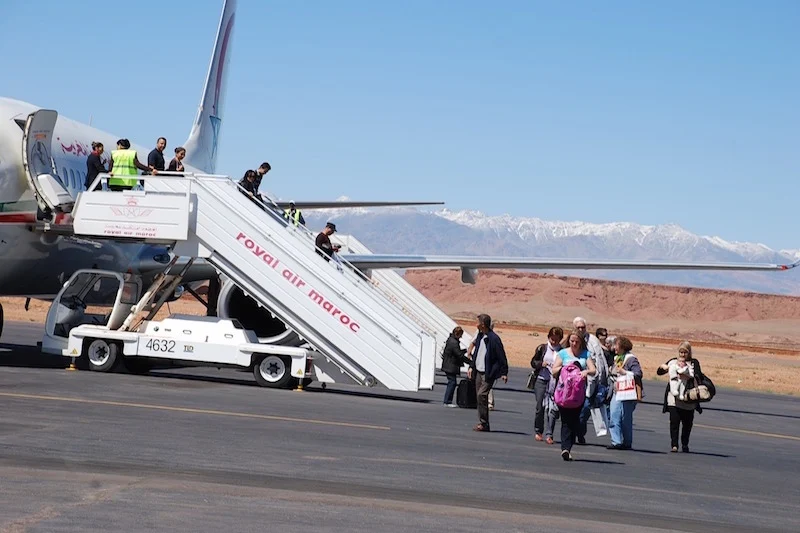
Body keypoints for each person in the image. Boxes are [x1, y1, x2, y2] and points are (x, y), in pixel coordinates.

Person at [551, 329, 597, 461]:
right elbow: (554, 371)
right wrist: (565, 369)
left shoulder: (585, 354)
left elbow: (593, 370)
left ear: (581, 342)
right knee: (566, 420)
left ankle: (568, 446)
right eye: (572, 341)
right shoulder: (562, 353)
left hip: (578, 393)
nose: (574, 344)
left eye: (577, 341)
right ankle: (565, 448)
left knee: (575, 420)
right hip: (564, 393)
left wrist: (586, 372)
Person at [467, 314, 508, 432]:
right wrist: (471, 367)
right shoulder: (480, 336)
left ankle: (484, 422)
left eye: (477, 322)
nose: (476, 324)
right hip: (478, 371)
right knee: (479, 397)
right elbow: (476, 353)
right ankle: (483, 423)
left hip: (488, 373)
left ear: (483, 324)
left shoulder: (494, 339)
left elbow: (501, 356)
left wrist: (504, 372)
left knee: (481, 395)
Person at [573, 317, 609, 444]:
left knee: (585, 408)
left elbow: (600, 359)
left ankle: (579, 433)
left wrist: (604, 377)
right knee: (574, 410)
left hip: (591, 380)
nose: (581, 329)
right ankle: (574, 433)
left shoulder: (593, 340)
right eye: (578, 327)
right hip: (574, 381)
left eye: (583, 327)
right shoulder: (571, 340)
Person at [607, 336, 643, 450]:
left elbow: (638, 373)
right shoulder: (617, 359)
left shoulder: (631, 359)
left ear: (622, 346)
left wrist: (625, 372)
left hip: (628, 393)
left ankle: (627, 442)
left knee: (625, 418)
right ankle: (616, 441)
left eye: (616, 345)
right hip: (617, 392)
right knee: (613, 415)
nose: (614, 348)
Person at [663, 341, 699, 452]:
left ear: (689, 353)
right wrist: (663, 367)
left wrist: (687, 375)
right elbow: (660, 371)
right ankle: (674, 445)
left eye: (685, 352)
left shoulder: (694, 363)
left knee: (687, 424)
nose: (683, 355)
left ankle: (685, 444)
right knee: (674, 422)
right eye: (681, 352)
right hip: (673, 399)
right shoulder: (673, 361)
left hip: (688, 398)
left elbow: (698, 375)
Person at [530, 326, 563, 444]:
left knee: (552, 409)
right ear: (548, 337)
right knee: (540, 406)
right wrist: (540, 364)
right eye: (552, 339)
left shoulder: (562, 352)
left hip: (555, 383)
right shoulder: (542, 348)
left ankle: (549, 434)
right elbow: (533, 362)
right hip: (541, 380)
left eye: (556, 339)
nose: (554, 342)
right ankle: (538, 430)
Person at [441, 326, 471, 407]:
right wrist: (470, 362)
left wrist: (464, 351)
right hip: (450, 365)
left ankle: (447, 401)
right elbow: (459, 355)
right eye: (461, 335)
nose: (461, 337)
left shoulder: (451, 340)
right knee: (452, 382)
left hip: (448, 364)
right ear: (458, 334)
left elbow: (456, 352)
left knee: (452, 382)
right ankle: (447, 401)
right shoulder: (454, 342)